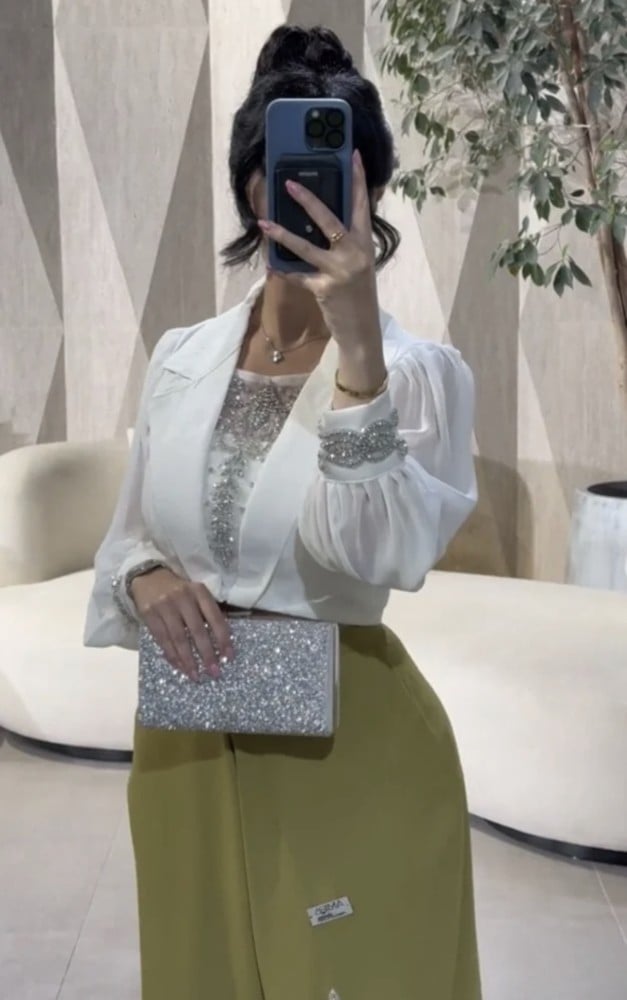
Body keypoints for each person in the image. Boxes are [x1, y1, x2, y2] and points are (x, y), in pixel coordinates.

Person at [84, 24, 483, 1000]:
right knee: (200, 975)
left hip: (349, 744)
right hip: (186, 739)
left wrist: (358, 354)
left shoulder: (420, 376)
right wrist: (145, 576)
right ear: (251, 189)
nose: (302, 193)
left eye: (334, 174)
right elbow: (132, 534)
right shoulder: (183, 357)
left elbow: (377, 552)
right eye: (279, 170)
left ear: (370, 192)